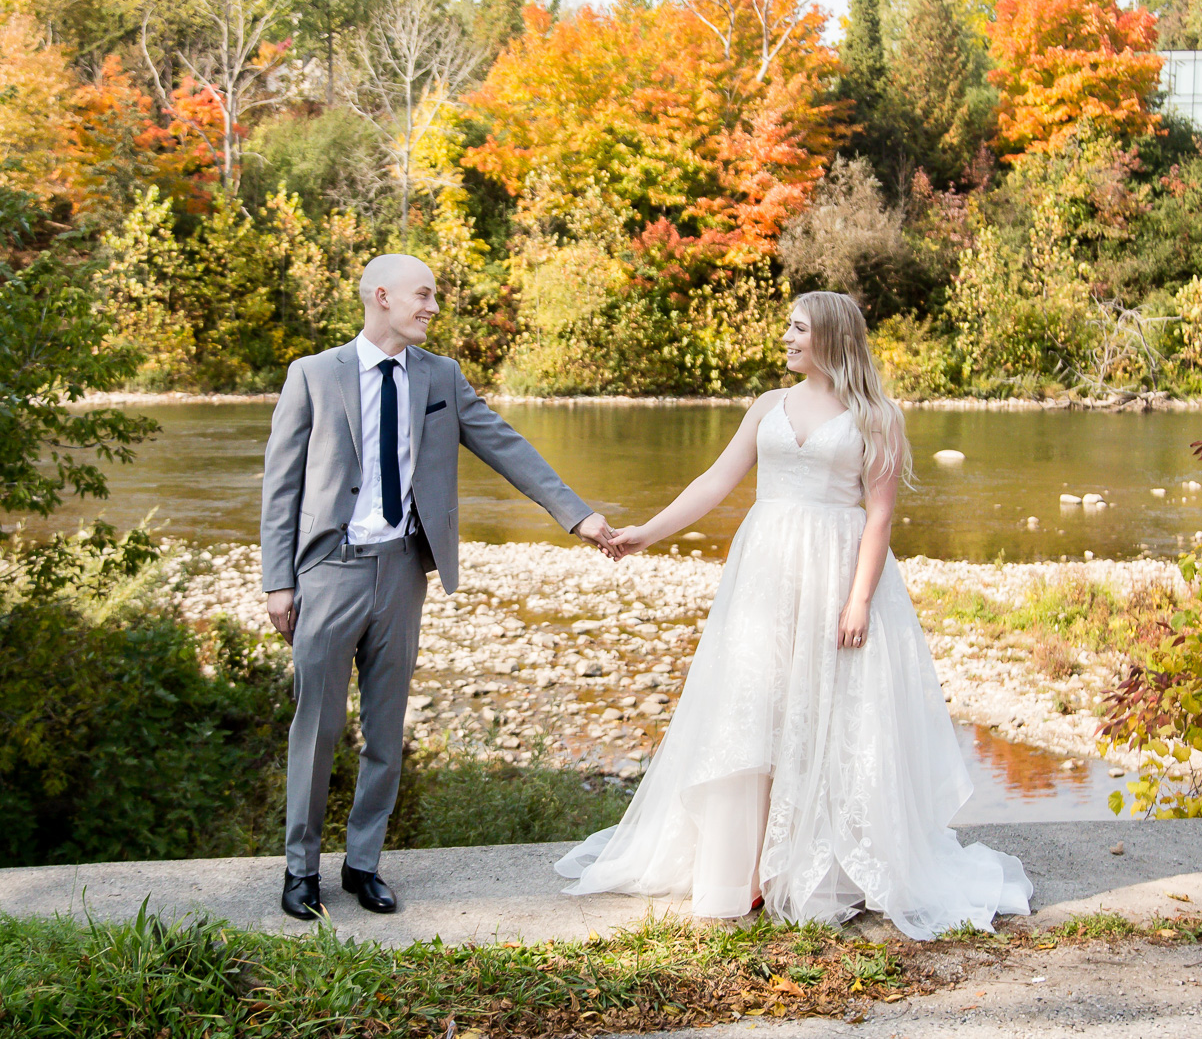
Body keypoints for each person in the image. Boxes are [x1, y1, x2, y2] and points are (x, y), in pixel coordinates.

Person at [555, 291, 1032, 937]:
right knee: (757, 707)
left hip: (837, 572)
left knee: (832, 717)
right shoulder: (766, 407)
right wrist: (647, 533)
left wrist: (859, 598)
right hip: (765, 572)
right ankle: (741, 871)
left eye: (798, 328)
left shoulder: (877, 416)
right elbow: (714, 483)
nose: (786, 336)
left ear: (830, 338)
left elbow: (880, 515)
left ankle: (811, 869)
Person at [262, 253, 615, 922]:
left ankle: (363, 864)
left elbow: (507, 446)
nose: (432, 307)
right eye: (423, 295)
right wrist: (277, 581)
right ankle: (299, 870)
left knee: (385, 732)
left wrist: (579, 514)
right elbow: (280, 486)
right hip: (328, 571)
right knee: (317, 727)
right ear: (382, 296)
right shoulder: (312, 375)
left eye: (434, 297)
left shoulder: (441, 377)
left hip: (402, 572)